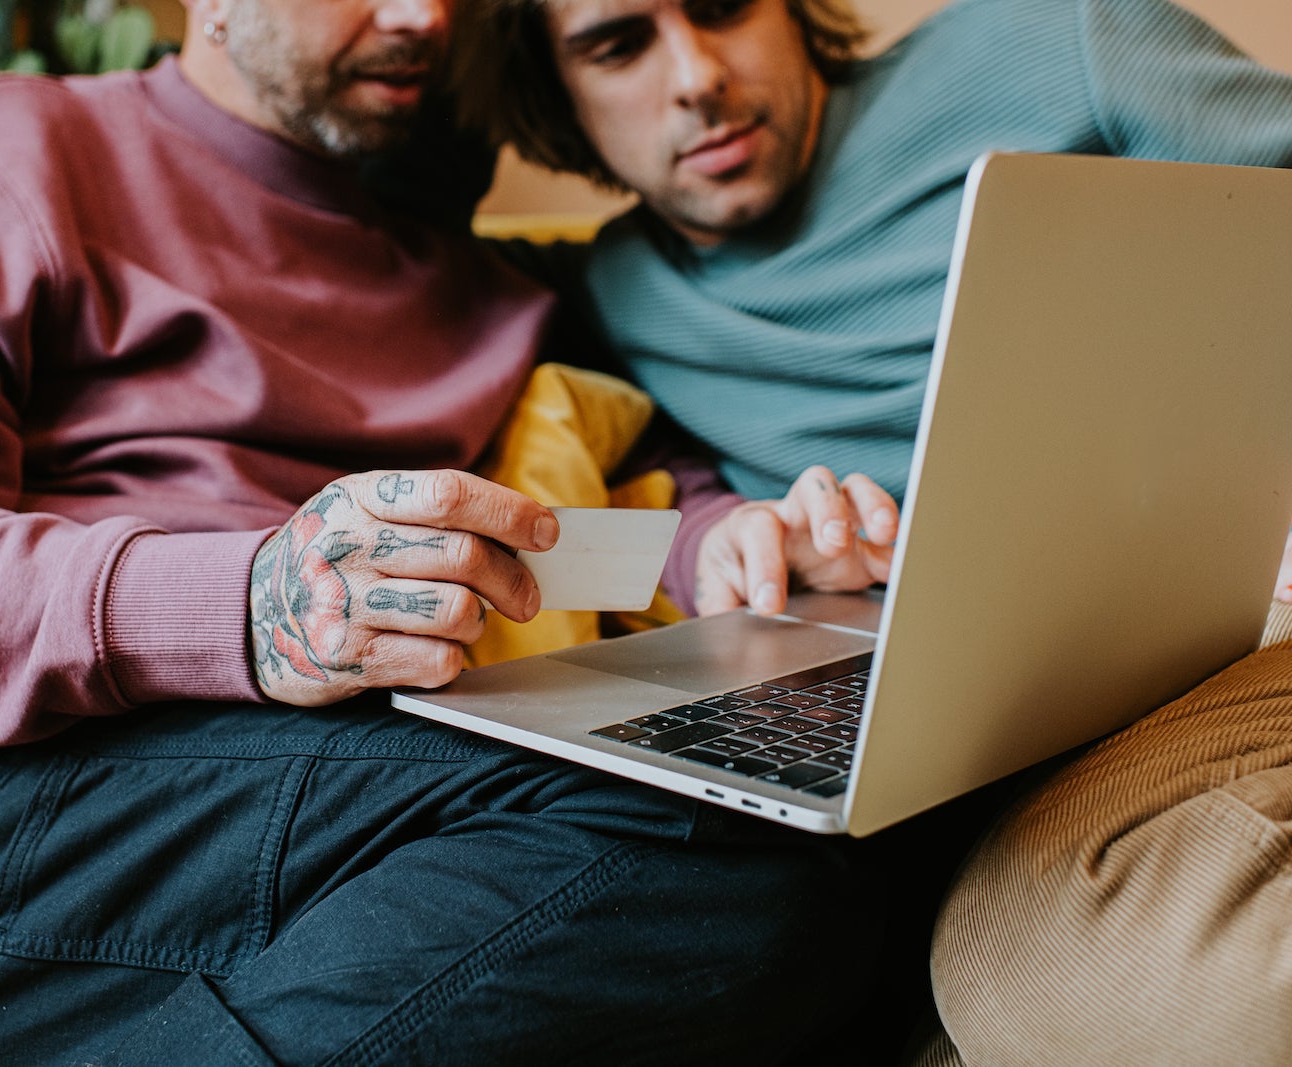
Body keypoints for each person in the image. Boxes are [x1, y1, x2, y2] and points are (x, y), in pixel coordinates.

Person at [0, 0, 924, 1063]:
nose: (422, 19)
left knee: (834, 831)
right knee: (709, 844)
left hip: (314, 799)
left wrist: (736, 543)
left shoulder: (491, 285)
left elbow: (635, 494)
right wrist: (245, 605)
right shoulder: (13, 149)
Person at [452, 0, 1292, 1060]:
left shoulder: (1057, 42)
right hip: (987, 691)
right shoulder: (612, 293)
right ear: (556, 98)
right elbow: (636, 466)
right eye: (619, 45)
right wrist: (727, 534)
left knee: (1057, 965)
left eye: (721, 7)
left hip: (1239, 603)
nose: (697, 75)